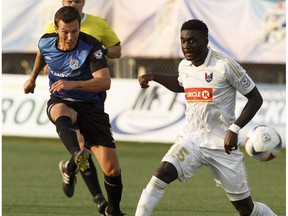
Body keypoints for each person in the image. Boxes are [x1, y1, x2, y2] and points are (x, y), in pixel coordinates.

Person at [135, 19, 276, 216]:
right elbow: (180, 84)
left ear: (205, 41)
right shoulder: (185, 66)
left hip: (223, 147)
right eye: (183, 40)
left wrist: (234, 129)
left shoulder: (225, 65)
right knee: (162, 174)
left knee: (246, 209)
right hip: (192, 139)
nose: (186, 46)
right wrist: (153, 76)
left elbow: (255, 98)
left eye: (192, 40)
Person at [23, 6, 125, 216]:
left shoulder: (90, 46)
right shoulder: (46, 40)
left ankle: (113, 211)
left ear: (79, 27)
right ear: (56, 29)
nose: (70, 37)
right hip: (62, 100)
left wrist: (72, 85)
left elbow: (104, 82)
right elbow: (42, 53)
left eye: (75, 31)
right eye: (65, 32)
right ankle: (77, 155)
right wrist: (32, 78)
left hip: (91, 107)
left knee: (112, 170)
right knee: (60, 110)